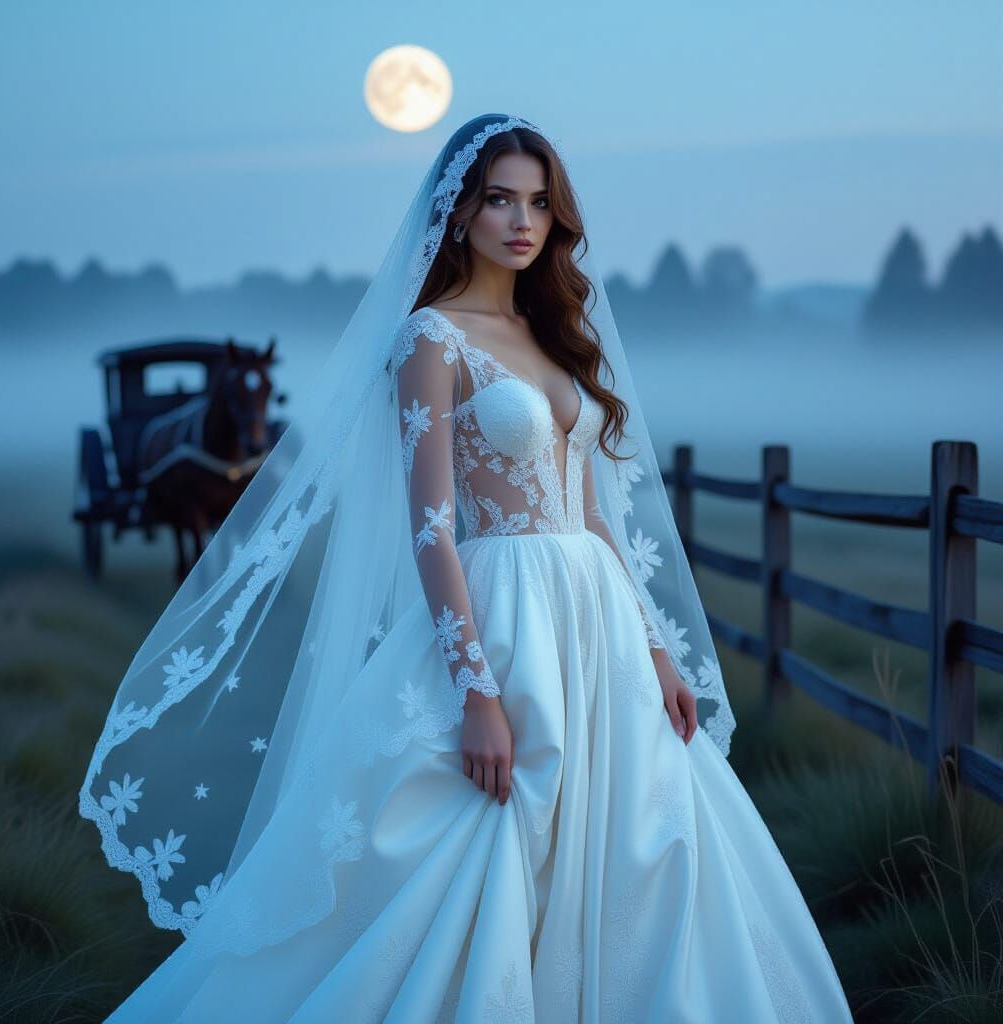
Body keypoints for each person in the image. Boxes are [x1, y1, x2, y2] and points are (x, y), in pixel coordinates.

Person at [80, 113, 854, 1022]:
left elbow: (595, 516)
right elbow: (432, 531)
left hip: (598, 621)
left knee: (655, 839)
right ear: (458, 214)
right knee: (478, 839)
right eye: (499, 201)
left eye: (537, 203)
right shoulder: (429, 342)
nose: (522, 222)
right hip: (504, 615)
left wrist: (655, 647)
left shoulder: (556, 333)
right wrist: (477, 691)